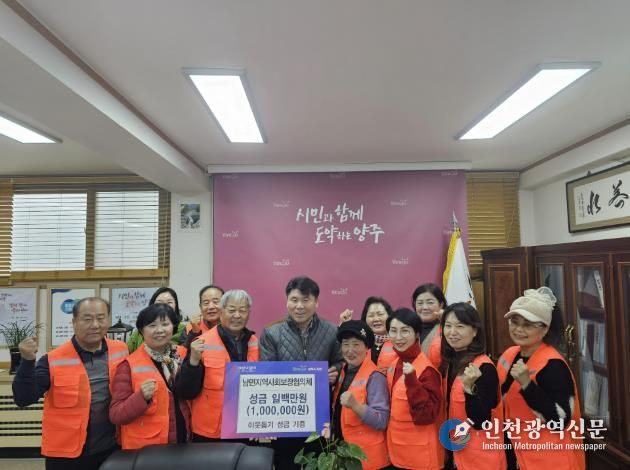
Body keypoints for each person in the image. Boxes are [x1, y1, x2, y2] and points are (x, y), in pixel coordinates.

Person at [12, 297, 128, 470]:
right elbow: (24, 398)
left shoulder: (121, 350)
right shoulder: (53, 359)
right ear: (74, 322)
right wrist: (27, 361)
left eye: (101, 318)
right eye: (87, 319)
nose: (95, 325)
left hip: (111, 448)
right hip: (65, 453)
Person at [259, 276, 343, 470]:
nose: (299, 306)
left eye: (306, 300)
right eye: (294, 300)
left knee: (319, 463)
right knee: (286, 464)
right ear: (287, 301)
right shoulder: (271, 333)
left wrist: (335, 372)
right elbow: (267, 373)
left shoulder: (332, 331)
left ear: (316, 302)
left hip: (320, 416)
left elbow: (341, 361)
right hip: (285, 415)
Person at [498, 287, 585, 470]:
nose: (519, 329)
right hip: (518, 452)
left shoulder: (554, 366)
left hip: (549, 460)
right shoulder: (510, 354)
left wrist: (527, 385)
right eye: (514, 322)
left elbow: (560, 421)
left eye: (528, 325)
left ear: (545, 329)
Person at [175, 289, 259, 442]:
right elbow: (185, 391)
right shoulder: (201, 342)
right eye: (231, 310)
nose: (237, 315)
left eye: (242, 310)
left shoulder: (254, 342)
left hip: (244, 426)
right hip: (209, 431)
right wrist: (193, 362)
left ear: (249, 313)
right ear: (221, 311)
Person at [109, 303, 189, 449]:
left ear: (173, 327)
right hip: (146, 449)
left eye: (165, 324)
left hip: (184, 442)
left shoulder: (184, 356)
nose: (160, 330)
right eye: (152, 325)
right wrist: (140, 397)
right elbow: (116, 415)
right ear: (141, 331)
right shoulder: (128, 366)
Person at [440, 302, 506, 470]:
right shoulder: (450, 362)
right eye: (448, 325)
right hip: (456, 451)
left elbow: (481, 421)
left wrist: (470, 389)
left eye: (460, 326)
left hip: (481, 458)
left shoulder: (484, 367)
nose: (452, 332)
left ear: (475, 331)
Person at [386, 308, 442, 470]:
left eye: (405, 331)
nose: (398, 337)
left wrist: (412, 381)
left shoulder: (426, 370)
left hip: (421, 455)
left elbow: (427, 415)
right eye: (393, 331)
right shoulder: (393, 365)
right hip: (397, 451)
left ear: (417, 334)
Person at [332, 320, 389, 470]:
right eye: (345, 344)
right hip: (346, 456)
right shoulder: (343, 371)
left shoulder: (375, 377)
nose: (350, 350)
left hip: (368, 460)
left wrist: (356, 406)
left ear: (367, 347)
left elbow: (382, 421)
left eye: (356, 344)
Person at [126, 287, 186, 352]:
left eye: (169, 302)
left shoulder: (184, 330)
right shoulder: (140, 330)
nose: (164, 306)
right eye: (152, 325)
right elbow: (127, 351)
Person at [339, 296, 393, 364]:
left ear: (390, 316)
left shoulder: (398, 341)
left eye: (380, 314)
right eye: (371, 315)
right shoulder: (359, 343)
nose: (376, 319)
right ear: (365, 319)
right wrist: (344, 326)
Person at [412, 283, 446, 368]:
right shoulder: (408, 327)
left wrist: (447, 320)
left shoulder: (448, 328)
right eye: (420, 303)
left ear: (441, 304)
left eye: (430, 303)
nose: (425, 307)